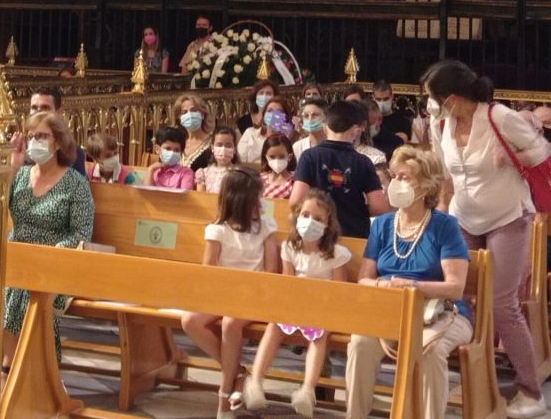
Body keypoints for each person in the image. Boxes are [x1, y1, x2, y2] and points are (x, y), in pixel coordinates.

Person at [423, 60, 549, 419]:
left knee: (502, 303)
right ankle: (477, 376)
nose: (430, 104)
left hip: (507, 217)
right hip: (464, 218)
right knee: (461, 297)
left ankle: (531, 392)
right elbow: (445, 174)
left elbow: (542, 152)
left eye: (433, 97)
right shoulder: (441, 123)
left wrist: (512, 157)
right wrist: (443, 213)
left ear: (453, 97)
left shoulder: (498, 117)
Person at [344, 145, 473, 419]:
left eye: (405, 177)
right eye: (395, 176)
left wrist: (412, 287)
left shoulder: (445, 226)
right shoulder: (382, 225)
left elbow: (455, 287)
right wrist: (382, 286)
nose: (395, 183)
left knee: (429, 351)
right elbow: (364, 278)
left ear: (426, 186)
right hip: (392, 309)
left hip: (441, 311)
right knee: (360, 344)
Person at [181, 166, 280, 416]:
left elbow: (271, 271)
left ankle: (224, 399)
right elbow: (209, 270)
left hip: (256, 295)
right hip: (225, 293)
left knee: (230, 323)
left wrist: (248, 291)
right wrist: (221, 292)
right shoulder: (218, 229)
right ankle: (237, 371)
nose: (262, 201)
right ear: (241, 200)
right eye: (257, 196)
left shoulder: (266, 226)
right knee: (190, 321)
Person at [244, 189, 350, 417]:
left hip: (323, 309)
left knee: (319, 335)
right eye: (306, 215)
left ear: (328, 224)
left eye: (318, 218)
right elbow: (288, 283)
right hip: (296, 306)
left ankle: (307, 390)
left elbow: (341, 291)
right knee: (274, 325)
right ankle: (255, 382)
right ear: (297, 216)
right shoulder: (290, 248)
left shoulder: (337, 254)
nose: (310, 222)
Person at [3, 111, 95, 367]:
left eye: (42, 136)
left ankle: (22, 370)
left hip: (56, 263)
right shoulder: (21, 175)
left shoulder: (75, 184)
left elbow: (81, 233)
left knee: (27, 293)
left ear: (58, 142)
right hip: (18, 260)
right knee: (6, 288)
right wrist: (13, 166)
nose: (35, 142)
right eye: (31, 136)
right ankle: (13, 369)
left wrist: (45, 256)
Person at [290, 99, 388, 238]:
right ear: (356, 130)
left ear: (325, 126)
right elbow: (379, 207)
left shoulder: (309, 156)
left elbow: (296, 201)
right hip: (354, 234)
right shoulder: (363, 162)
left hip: (317, 234)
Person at [28, 88, 87, 175]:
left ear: (59, 112)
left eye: (45, 108)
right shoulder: (21, 149)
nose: (38, 112)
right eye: (34, 108)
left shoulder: (75, 153)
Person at [237, 94, 290, 164]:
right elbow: (240, 163)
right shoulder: (250, 133)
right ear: (264, 115)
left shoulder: (289, 139)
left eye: (278, 111)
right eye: (269, 111)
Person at [144, 125, 195, 190]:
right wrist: (150, 170)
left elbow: (185, 195)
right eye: (168, 148)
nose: (172, 153)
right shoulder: (154, 171)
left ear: (181, 152)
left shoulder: (186, 173)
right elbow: (146, 193)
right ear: (157, 149)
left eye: (176, 150)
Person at [174, 93, 214, 171]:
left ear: (203, 114)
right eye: (184, 112)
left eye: (194, 110)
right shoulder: (176, 142)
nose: (190, 115)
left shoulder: (213, 142)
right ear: (179, 118)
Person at [195, 126, 238, 193]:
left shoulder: (239, 174)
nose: (223, 149)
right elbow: (201, 197)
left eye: (228, 146)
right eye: (219, 145)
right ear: (212, 148)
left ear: (234, 149)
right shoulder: (204, 173)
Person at [372, 79, 411, 145]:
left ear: (392, 96)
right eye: (378, 99)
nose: (382, 103)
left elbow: (401, 142)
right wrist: (393, 136)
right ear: (373, 98)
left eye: (386, 99)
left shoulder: (403, 120)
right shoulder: (370, 119)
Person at [260, 135, 296, 199]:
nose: (276, 160)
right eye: (272, 157)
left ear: (290, 156)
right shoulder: (260, 180)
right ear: (266, 157)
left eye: (281, 156)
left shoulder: (295, 182)